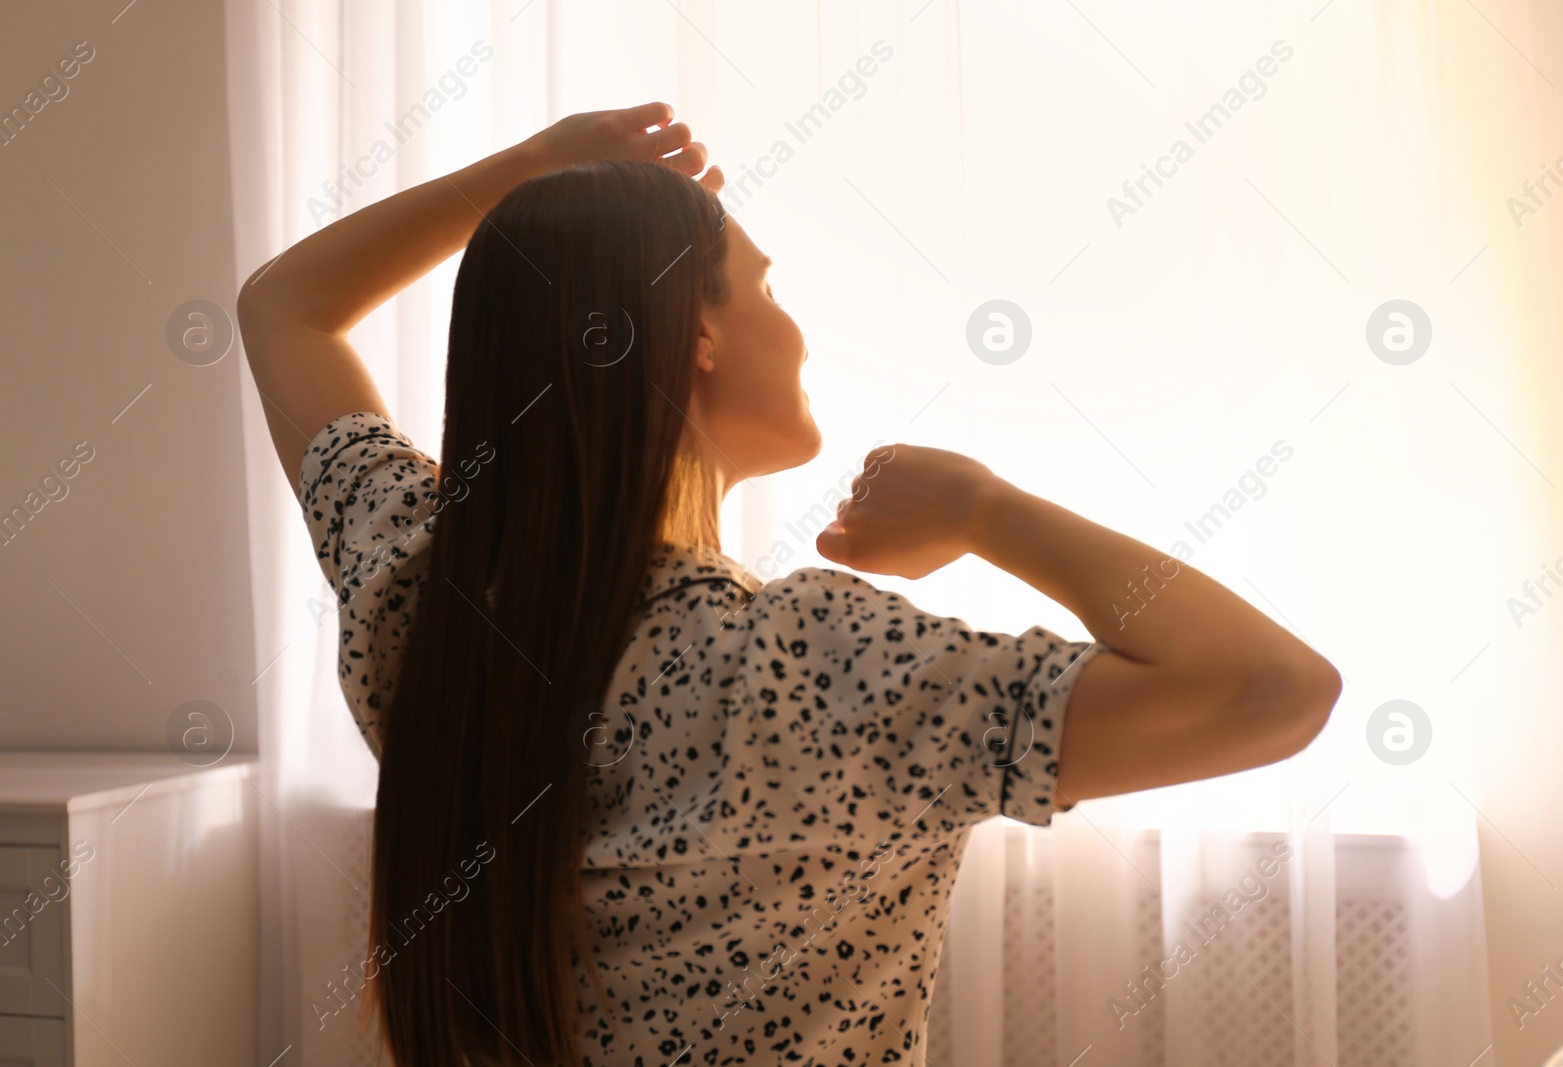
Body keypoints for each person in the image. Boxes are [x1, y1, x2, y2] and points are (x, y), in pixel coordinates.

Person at [238, 101, 1340, 1067]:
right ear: (700, 331)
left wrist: (524, 171)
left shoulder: (418, 583)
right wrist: (986, 510)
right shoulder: (806, 664)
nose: (795, 327)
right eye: (766, 286)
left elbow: (285, 306)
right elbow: (1274, 688)